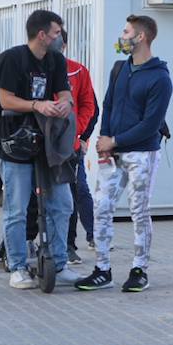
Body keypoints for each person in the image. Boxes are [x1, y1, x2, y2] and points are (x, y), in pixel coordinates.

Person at [77, 14, 171, 293]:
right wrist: (103, 139)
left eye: (126, 31)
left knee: (139, 211)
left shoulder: (160, 79)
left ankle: (139, 269)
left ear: (140, 37)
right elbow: (107, 104)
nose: (122, 35)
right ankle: (102, 269)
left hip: (141, 155)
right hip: (112, 154)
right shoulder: (119, 69)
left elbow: (150, 125)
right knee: (101, 207)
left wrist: (114, 141)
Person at [0, 9, 80, 289]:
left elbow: (64, 92)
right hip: (15, 142)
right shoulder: (12, 59)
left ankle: (59, 262)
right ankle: (17, 266)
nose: (59, 37)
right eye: (56, 33)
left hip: (47, 143)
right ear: (42, 35)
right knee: (17, 208)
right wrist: (36, 105)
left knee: (62, 204)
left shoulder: (55, 59)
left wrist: (65, 103)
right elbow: (5, 100)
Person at [56, 23, 98, 263]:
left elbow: (91, 108)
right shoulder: (36, 70)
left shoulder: (78, 71)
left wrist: (79, 136)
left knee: (75, 192)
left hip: (71, 148)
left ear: (64, 44)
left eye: (59, 40)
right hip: (43, 146)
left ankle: (72, 243)